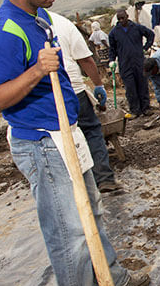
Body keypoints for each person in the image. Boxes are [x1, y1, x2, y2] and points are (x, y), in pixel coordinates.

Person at [0, 0, 147, 286]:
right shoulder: (6, 30)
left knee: (92, 211)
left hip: (66, 134)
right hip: (41, 142)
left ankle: (113, 279)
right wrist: (38, 70)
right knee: (67, 230)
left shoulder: (38, 18)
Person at [51, 12, 121, 193]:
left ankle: (75, 185)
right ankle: (104, 178)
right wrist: (98, 85)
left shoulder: (18, 26)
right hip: (73, 90)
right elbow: (86, 59)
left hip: (46, 96)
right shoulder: (62, 22)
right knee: (91, 131)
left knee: (59, 139)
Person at [108, 8, 155, 118]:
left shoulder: (137, 28)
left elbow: (150, 34)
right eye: (119, 19)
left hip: (139, 61)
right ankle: (135, 110)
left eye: (122, 18)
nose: (121, 20)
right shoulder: (114, 33)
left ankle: (146, 108)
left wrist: (146, 47)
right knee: (130, 87)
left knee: (142, 85)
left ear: (127, 16)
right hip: (125, 63)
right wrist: (111, 60)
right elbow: (112, 49)